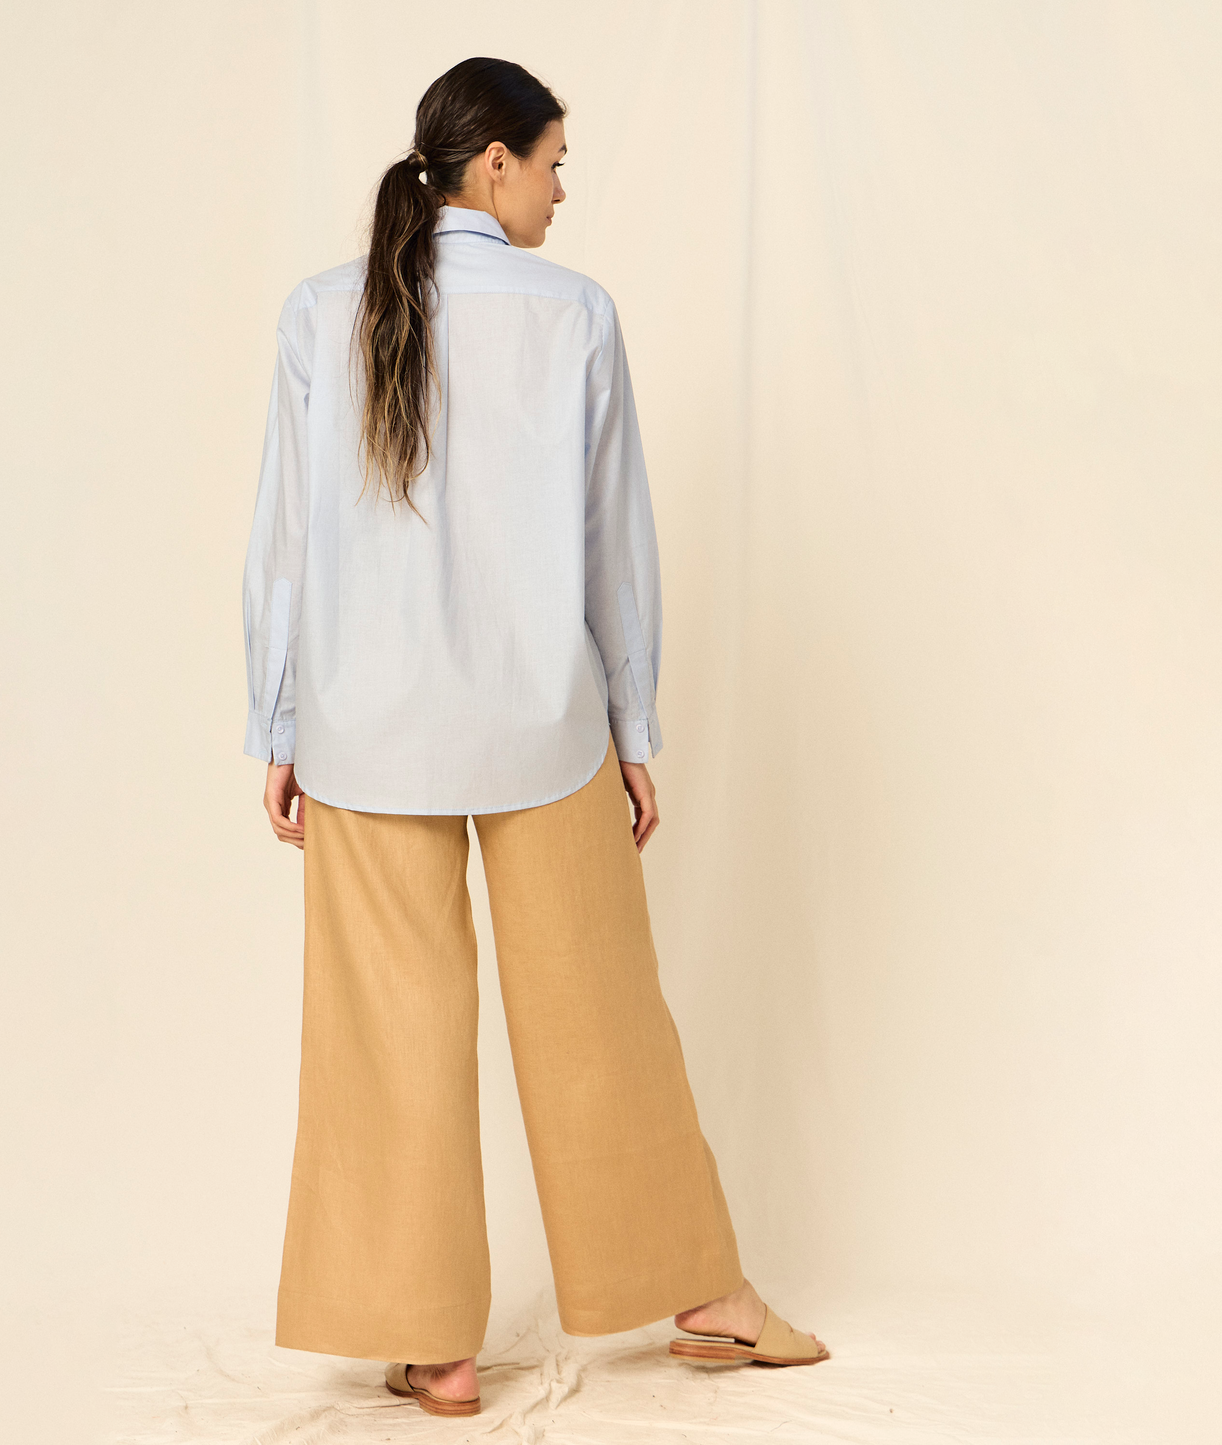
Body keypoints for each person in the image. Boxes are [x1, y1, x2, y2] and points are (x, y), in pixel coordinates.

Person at [242, 55, 828, 1420]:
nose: (563, 191)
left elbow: (285, 543)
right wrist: (634, 727)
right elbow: (613, 544)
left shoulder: (320, 311)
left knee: (388, 1034)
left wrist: (278, 722)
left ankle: (433, 1346)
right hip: (543, 726)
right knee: (601, 1016)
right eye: (555, 162)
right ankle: (707, 1299)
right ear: (494, 162)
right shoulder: (574, 315)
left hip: (364, 728)